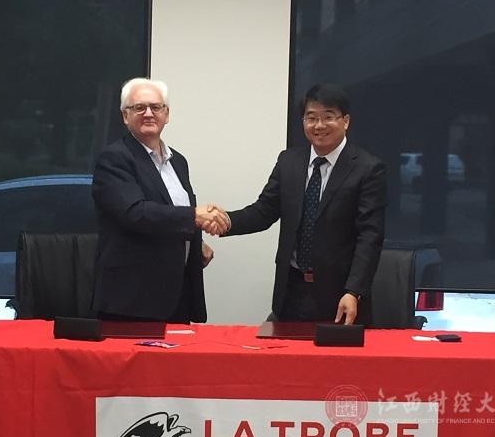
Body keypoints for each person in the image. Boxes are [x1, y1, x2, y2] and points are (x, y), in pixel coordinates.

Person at [218, 83, 386, 325]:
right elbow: (263, 211)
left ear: (345, 121)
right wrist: (223, 220)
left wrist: (353, 291)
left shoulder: (368, 169)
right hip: (291, 291)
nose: (319, 125)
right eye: (311, 118)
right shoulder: (289, 161)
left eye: (328, 117)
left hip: (341, 296)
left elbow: (370, 236)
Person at [91, 77, 228, 323]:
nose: (148, 113)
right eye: (139, 107)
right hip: (132, 299)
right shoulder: (114, 158)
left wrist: (194, 243)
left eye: (156, 107)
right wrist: (194, 216)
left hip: (177, 293)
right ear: (125, 116)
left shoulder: (178, 162)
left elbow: (173, 214)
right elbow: (135, 213)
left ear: (167, 114)